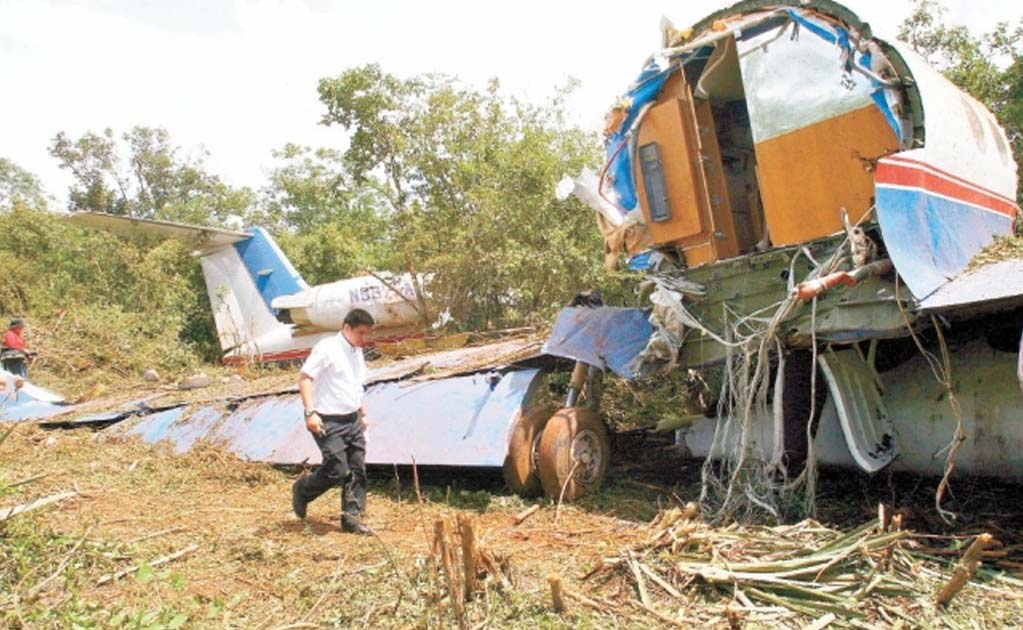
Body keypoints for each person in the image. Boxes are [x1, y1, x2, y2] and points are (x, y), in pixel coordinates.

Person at [291, 308, 375, 535]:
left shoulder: (356, 351)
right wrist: (310, 413)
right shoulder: (327, 348)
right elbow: (305, 378)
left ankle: (351, 519)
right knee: (337, 468)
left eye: (366, 334)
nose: (363, 339)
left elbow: (356, 386)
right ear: (346, 328)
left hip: (352, 418)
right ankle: (303, 490)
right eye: (360, 333)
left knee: (357, 469)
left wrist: (363, 414)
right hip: (327, 419)